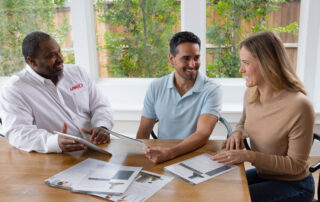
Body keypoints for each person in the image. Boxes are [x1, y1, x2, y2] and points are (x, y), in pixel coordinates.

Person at [211, 31, 315, 202]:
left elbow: (296, 165)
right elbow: (243, 123)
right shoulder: (251, 93)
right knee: (218, 188)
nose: (240, 69)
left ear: (268, 63)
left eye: (246, 63)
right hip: (265, 174)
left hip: (295, 185)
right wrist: (237, 132)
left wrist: (249, 156)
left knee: (232, 198)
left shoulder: (300, 105)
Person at [0, 31, 114, 153]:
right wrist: (55, 142)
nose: (60, 59)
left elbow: (100, 105)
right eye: (51, 56)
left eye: (59, 52)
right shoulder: (14, 89)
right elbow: (17, 132)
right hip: (55, 157)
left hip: (98, 149)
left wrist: (102, 126)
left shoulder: (78, 72)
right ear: (32, 61)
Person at [137, 31, 223, 164]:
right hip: (163, 156)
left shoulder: (212, 89)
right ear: (172, 59)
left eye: (196, 57)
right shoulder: (156, 87)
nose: (192, 64)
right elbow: (143, 133)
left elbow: (203, 134)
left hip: (196, 157)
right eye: (186, 58)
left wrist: (169, 153)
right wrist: (144, 159)